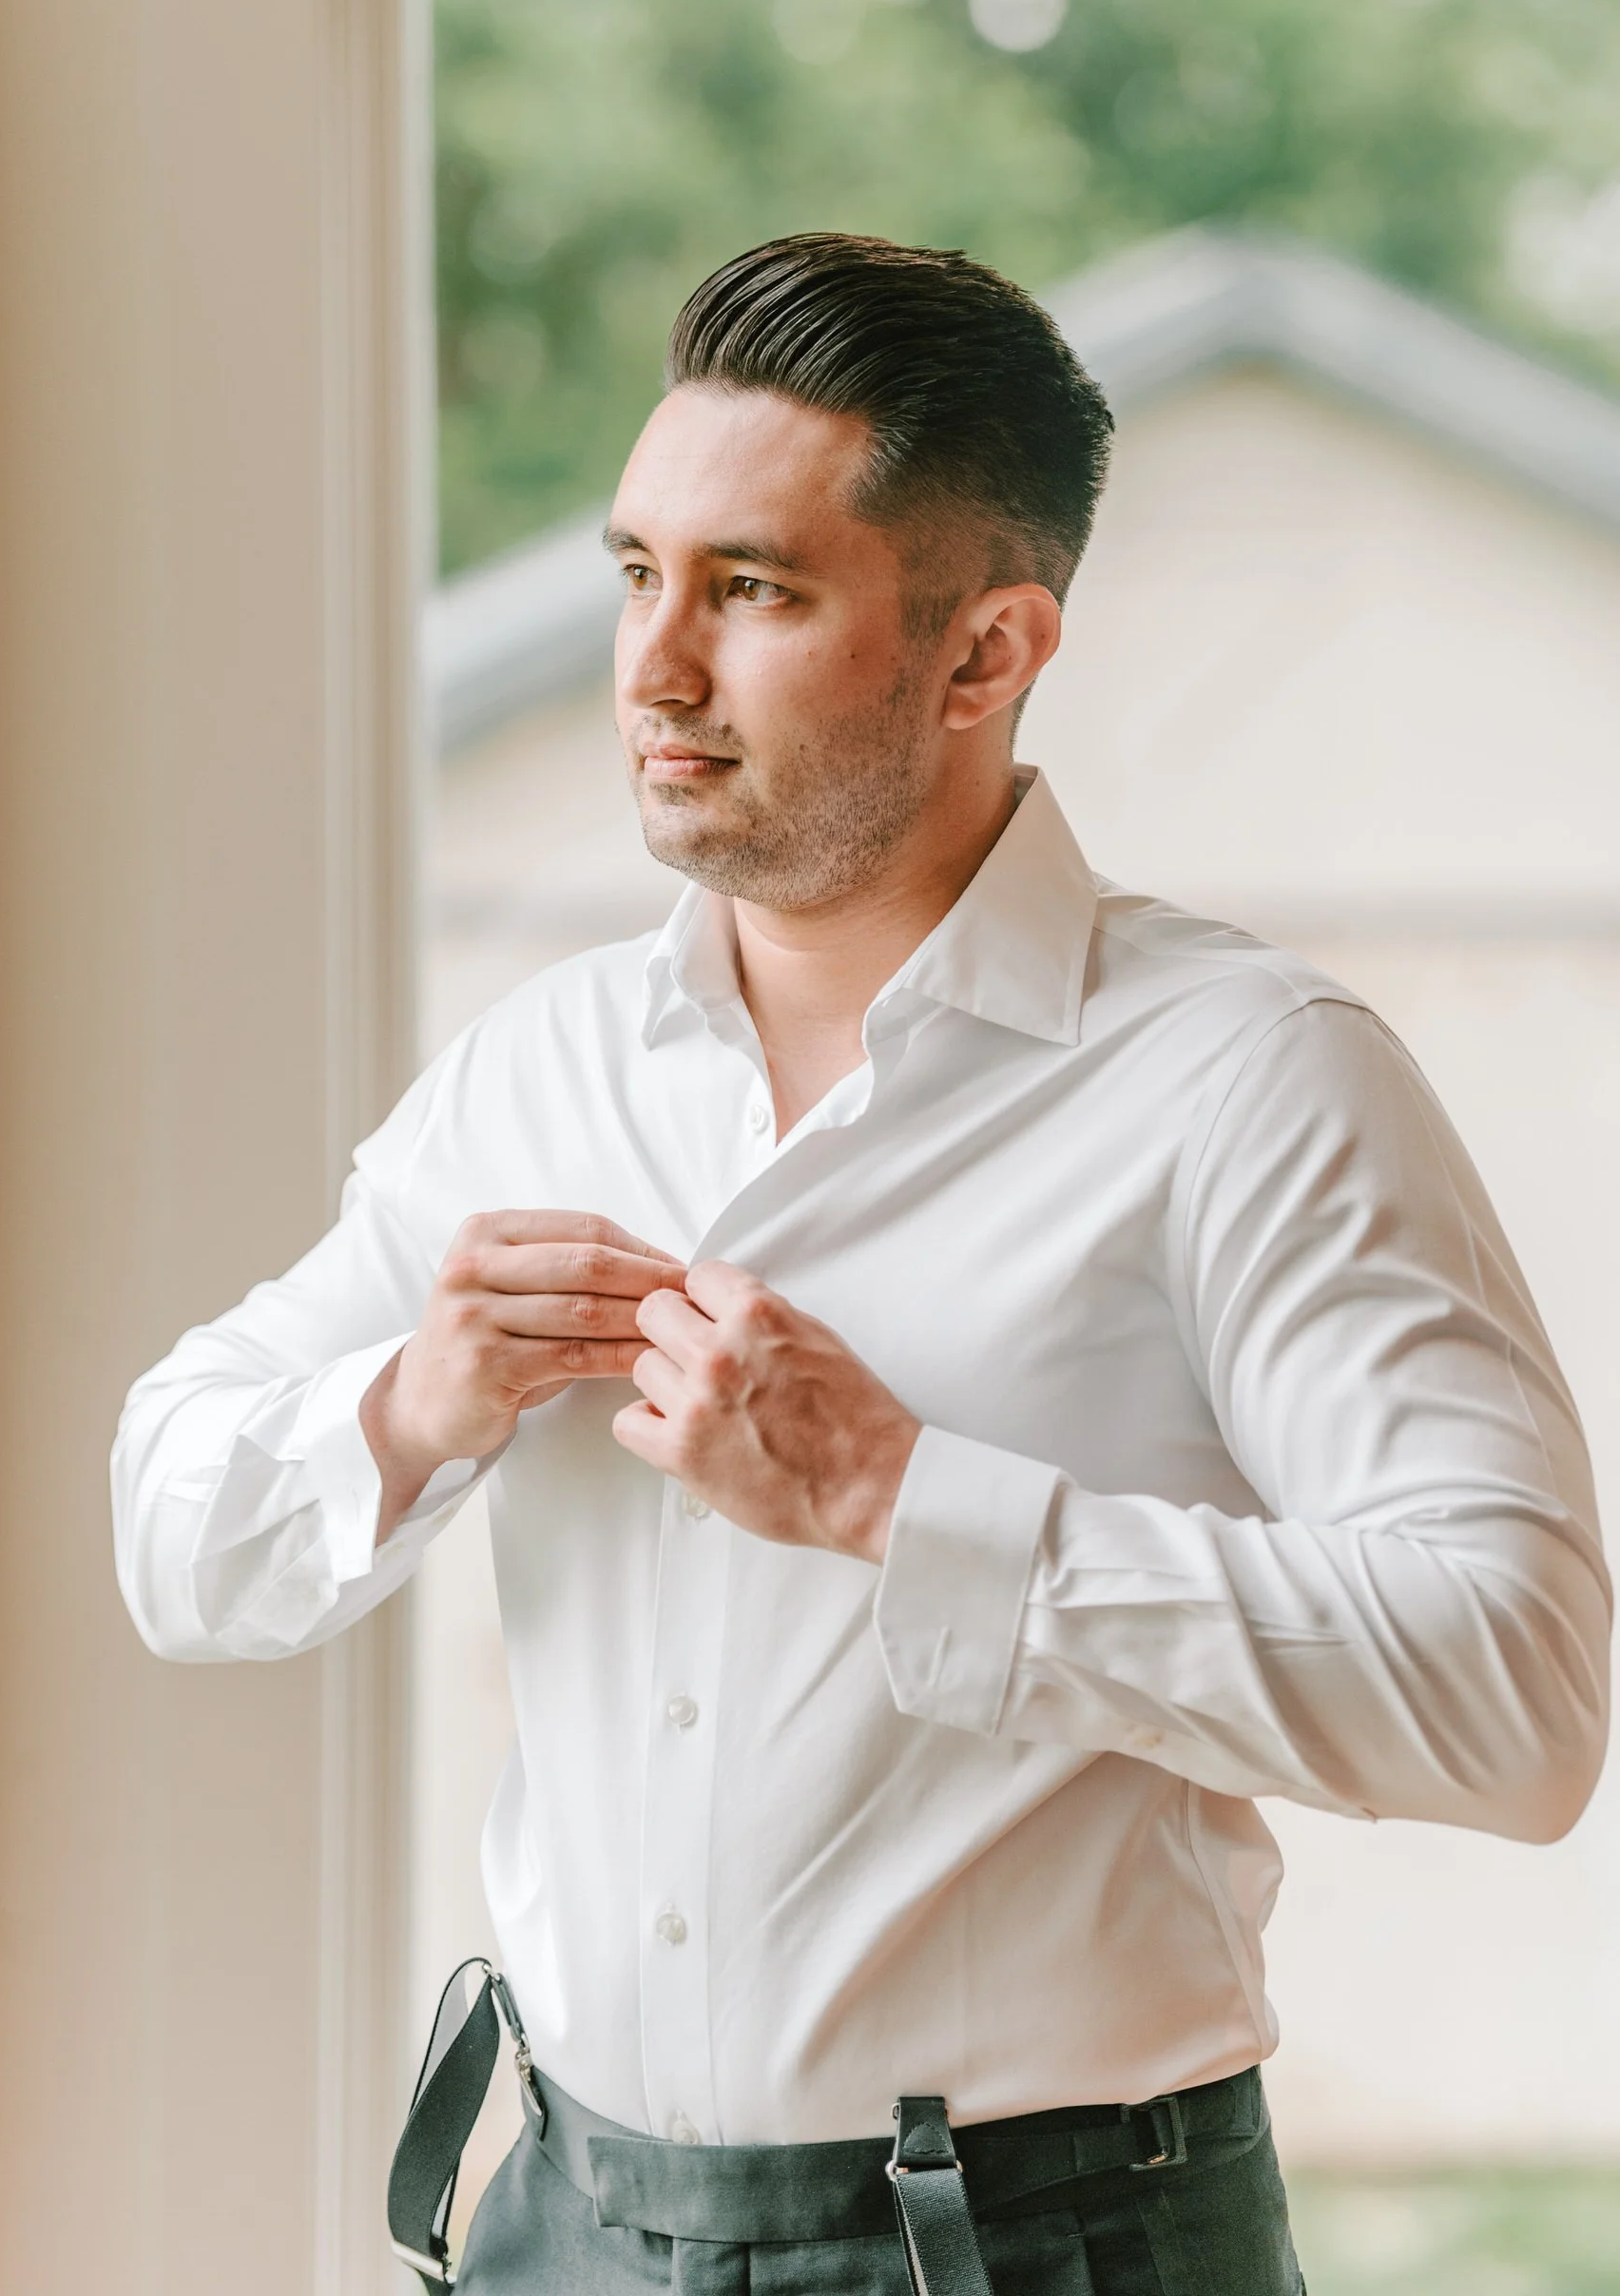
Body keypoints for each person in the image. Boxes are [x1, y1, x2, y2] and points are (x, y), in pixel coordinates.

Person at [112, 234, 1610, 2295]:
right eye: (639, 572)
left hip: (1040, 2249)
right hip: (561, 2225)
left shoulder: (1248, 1080)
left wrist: (900, 1501)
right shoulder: (537, 1072)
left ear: (986, 649)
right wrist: (406, 1402)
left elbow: (1515, 1697)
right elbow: (170, 1536)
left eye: (753, 590)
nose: (652, 669)